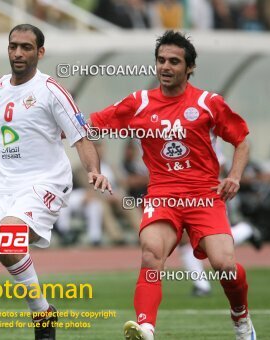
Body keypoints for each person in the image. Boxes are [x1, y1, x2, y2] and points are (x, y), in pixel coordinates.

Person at [0, 24, 110, 340]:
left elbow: (81, 136)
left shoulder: (51, 91)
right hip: (1, 188)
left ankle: (42, 312)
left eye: (26, 47)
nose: (18, 53)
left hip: (44, 183)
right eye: (13, 46)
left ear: (40, 52)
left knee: (6, 240)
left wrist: (94, 170)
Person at [89, 31, 256, 339]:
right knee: (151, 253)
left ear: (189, 68)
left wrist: (233, 176)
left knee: (226, 267)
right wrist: (52, 126)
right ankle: (146, 328)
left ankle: (241, 317)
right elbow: (89, 125)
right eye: (161, 60)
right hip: (163, 196)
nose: (165, 67)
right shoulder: (138, 103)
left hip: (204, 196)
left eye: (174, 62)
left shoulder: (208, 103)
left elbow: (241, 140)